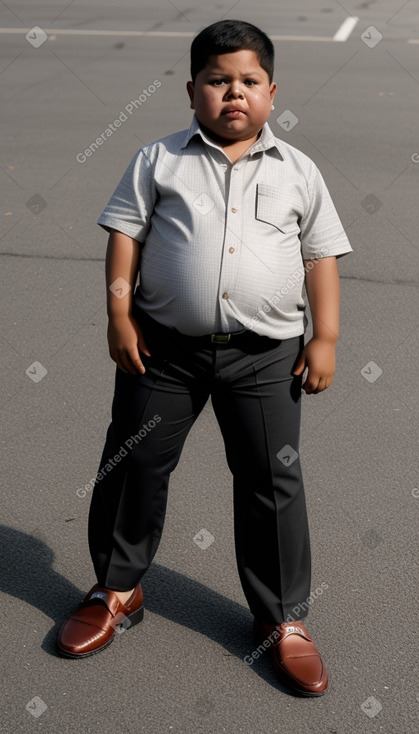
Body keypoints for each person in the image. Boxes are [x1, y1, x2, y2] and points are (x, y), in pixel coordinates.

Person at [58, 19, 352, 696]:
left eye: (247, 81)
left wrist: (326, 337)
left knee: (270, 484)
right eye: (217, 81)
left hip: (265, 358)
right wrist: (117, 315)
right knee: (133, 464)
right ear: (191, 89)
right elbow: (125, 236)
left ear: (271, 92)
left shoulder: (297, 170)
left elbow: (320, 255)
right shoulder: (156, 160)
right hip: (164, 351)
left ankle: (282, 620)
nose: (232, 94)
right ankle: (118, 590)